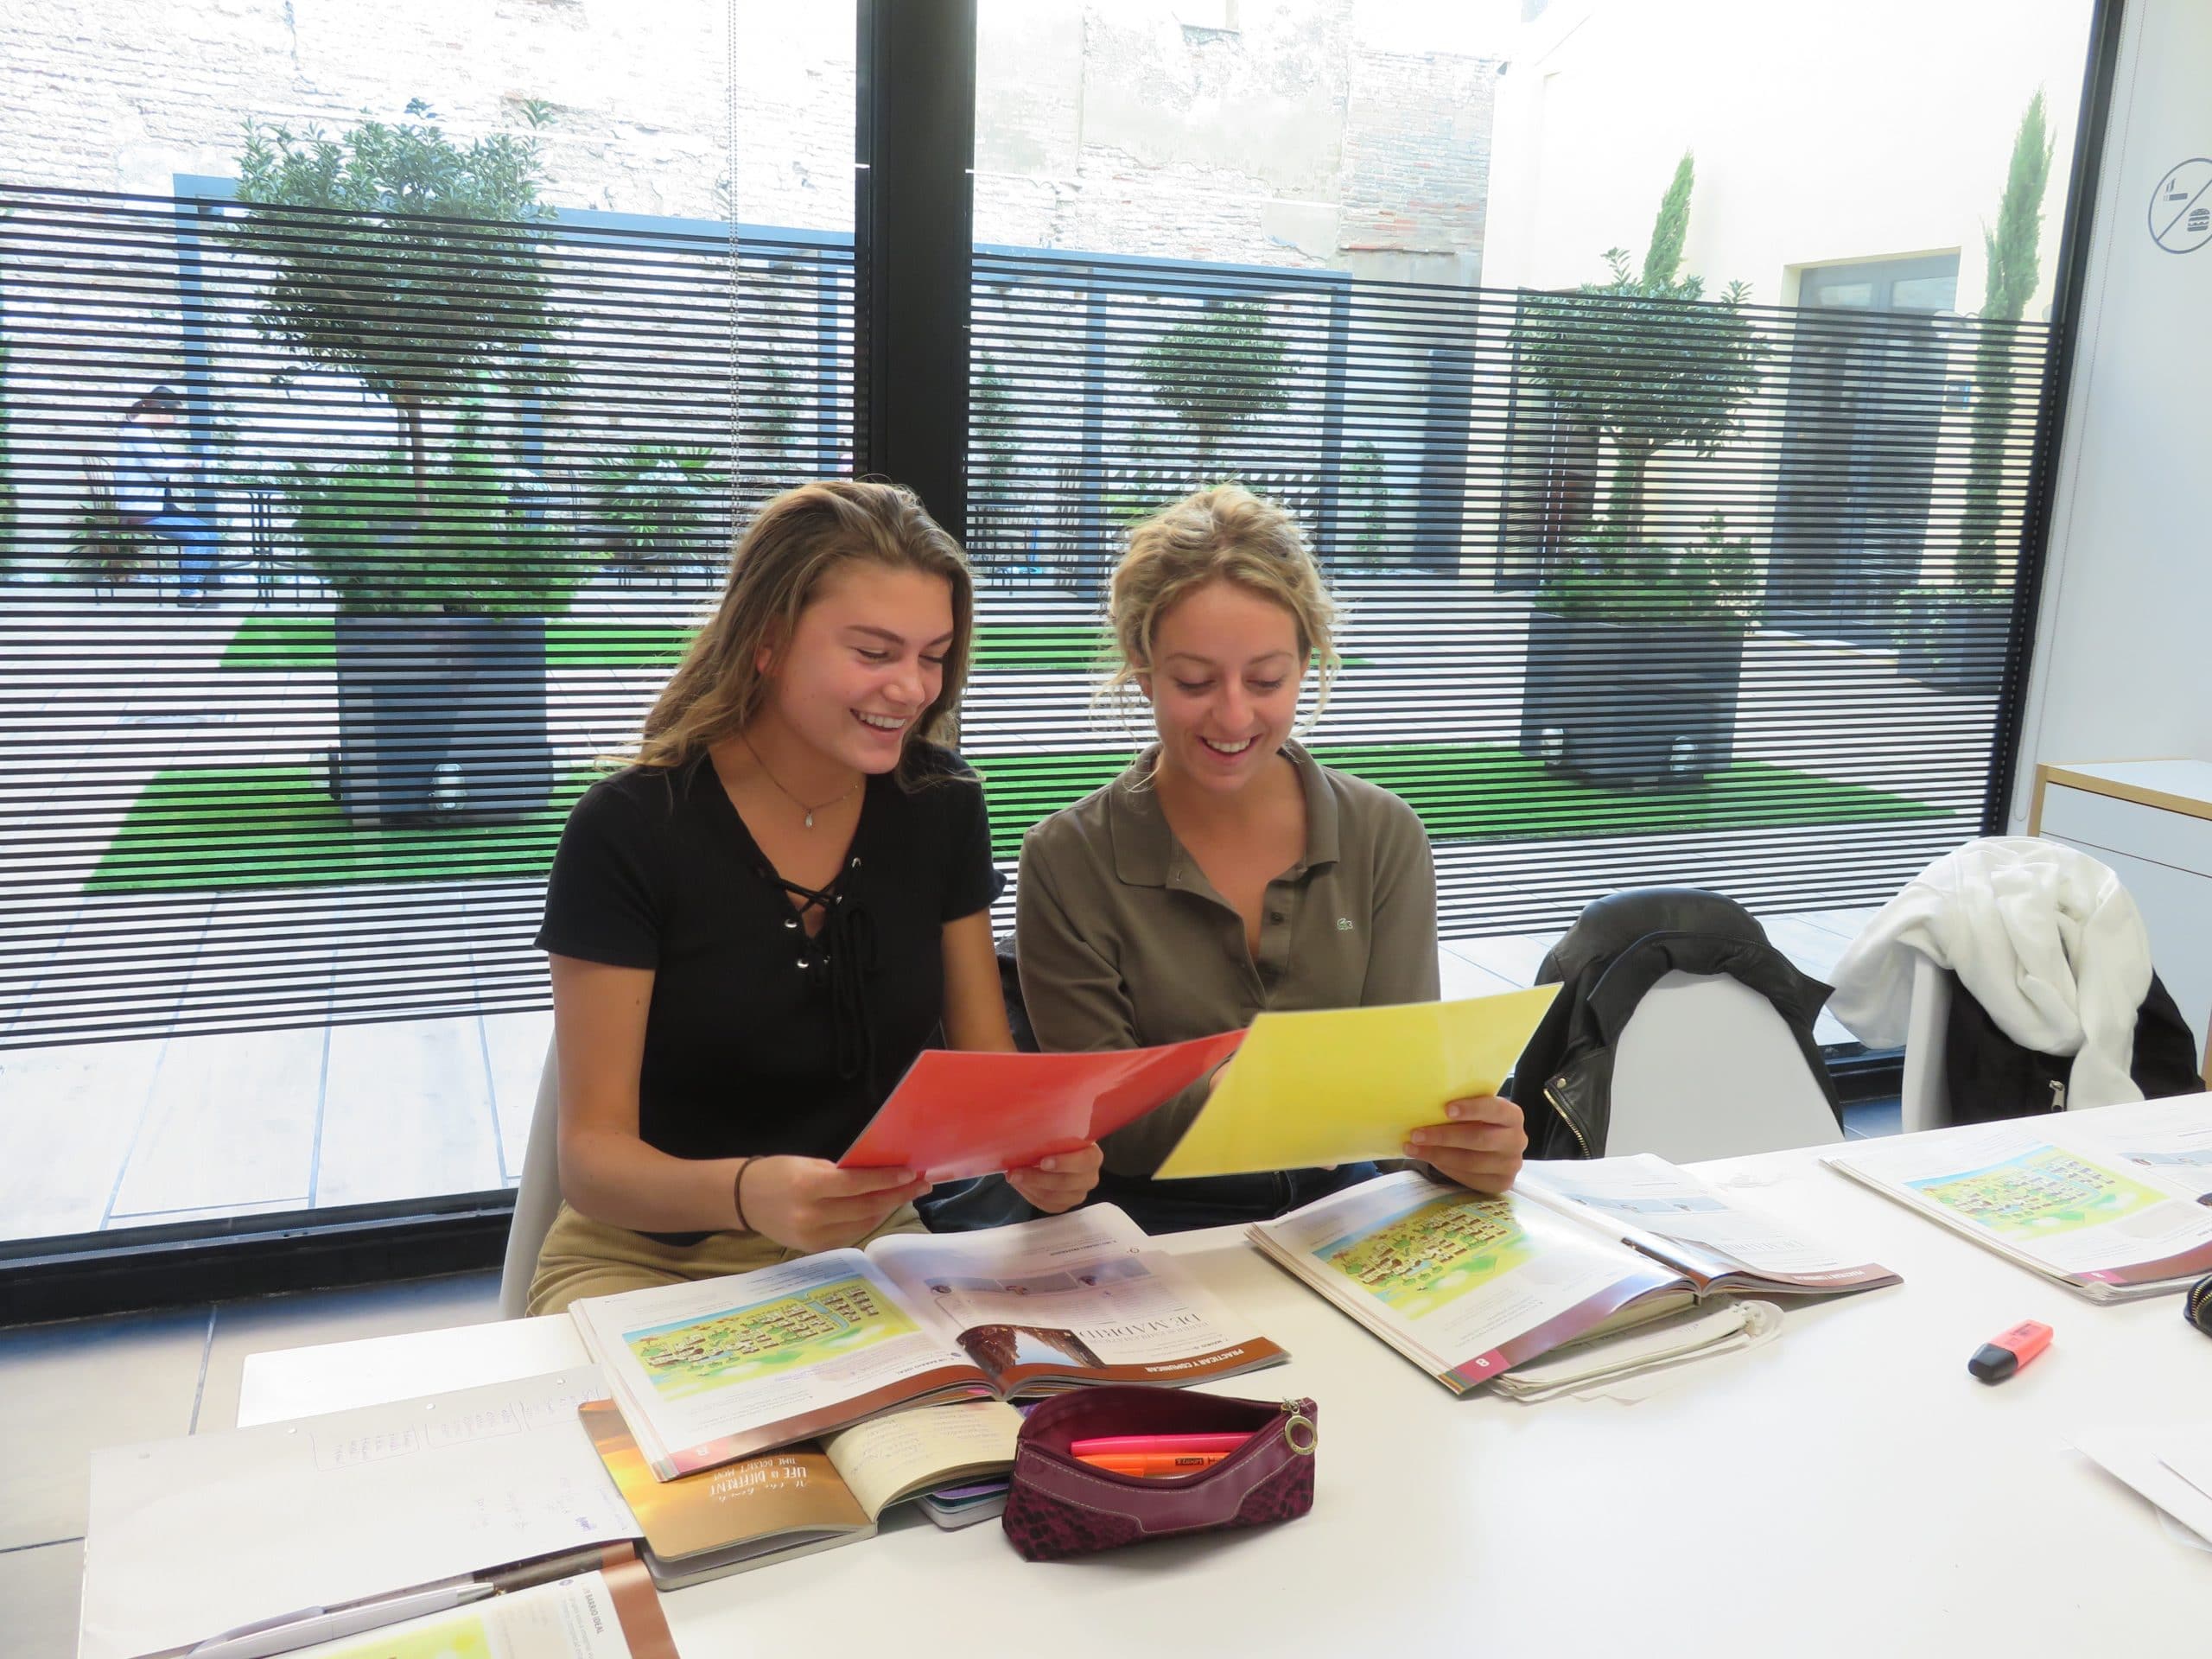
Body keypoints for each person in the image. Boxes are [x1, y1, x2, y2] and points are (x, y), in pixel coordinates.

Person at [527, 480, 1102, 1315]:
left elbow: (987, 1082)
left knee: (977, 1444)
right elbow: (591, 1163)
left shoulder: (942, 805)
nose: (914, 689)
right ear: (766, 641)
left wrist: (1040, 1157)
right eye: (874, 653)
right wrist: (750, 1194)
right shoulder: (629, 829)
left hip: (870, 1246)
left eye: (932, 656)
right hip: (646, 1259)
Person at [1014, 484, 1526, 1232]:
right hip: (1150, 1224)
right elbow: (1102, 1130)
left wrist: (1464, 1145)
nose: (1232, 714)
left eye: (1266, 680)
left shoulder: (1383, 834)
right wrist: (1247, 1096)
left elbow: (1400, 1099)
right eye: (1194, 681)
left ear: (1308, 662)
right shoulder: (1067, 858)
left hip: (1346, 1212)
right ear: (1142, 664)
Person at [115, 385, 220, 604]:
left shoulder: (140, 432)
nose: (174, 421)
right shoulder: (137, 432)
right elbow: (160, 470)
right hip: (142, 512)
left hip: (155, 508)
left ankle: (193, 590)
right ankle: (188, 594)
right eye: (174, 415)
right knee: (198, 536)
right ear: (161, 409)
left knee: (210, 535)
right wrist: (186, 461)